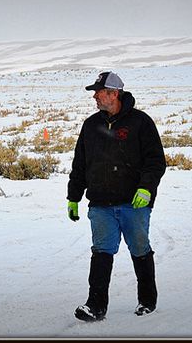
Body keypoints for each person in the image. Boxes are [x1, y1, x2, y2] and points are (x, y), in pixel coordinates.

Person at [67, 71, 166, 322]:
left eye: (99, 92)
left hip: (134, 202)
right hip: (100, 203)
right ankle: (95, 306)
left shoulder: (141, 123)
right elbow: (80, 164)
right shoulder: (91, 125)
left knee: (140, 249)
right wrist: (73, 197)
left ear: (114, 94)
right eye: (95, 93)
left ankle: (147, 300)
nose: (95, 97)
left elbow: (155, 162)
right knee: (101, 252)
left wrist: (146, 188)